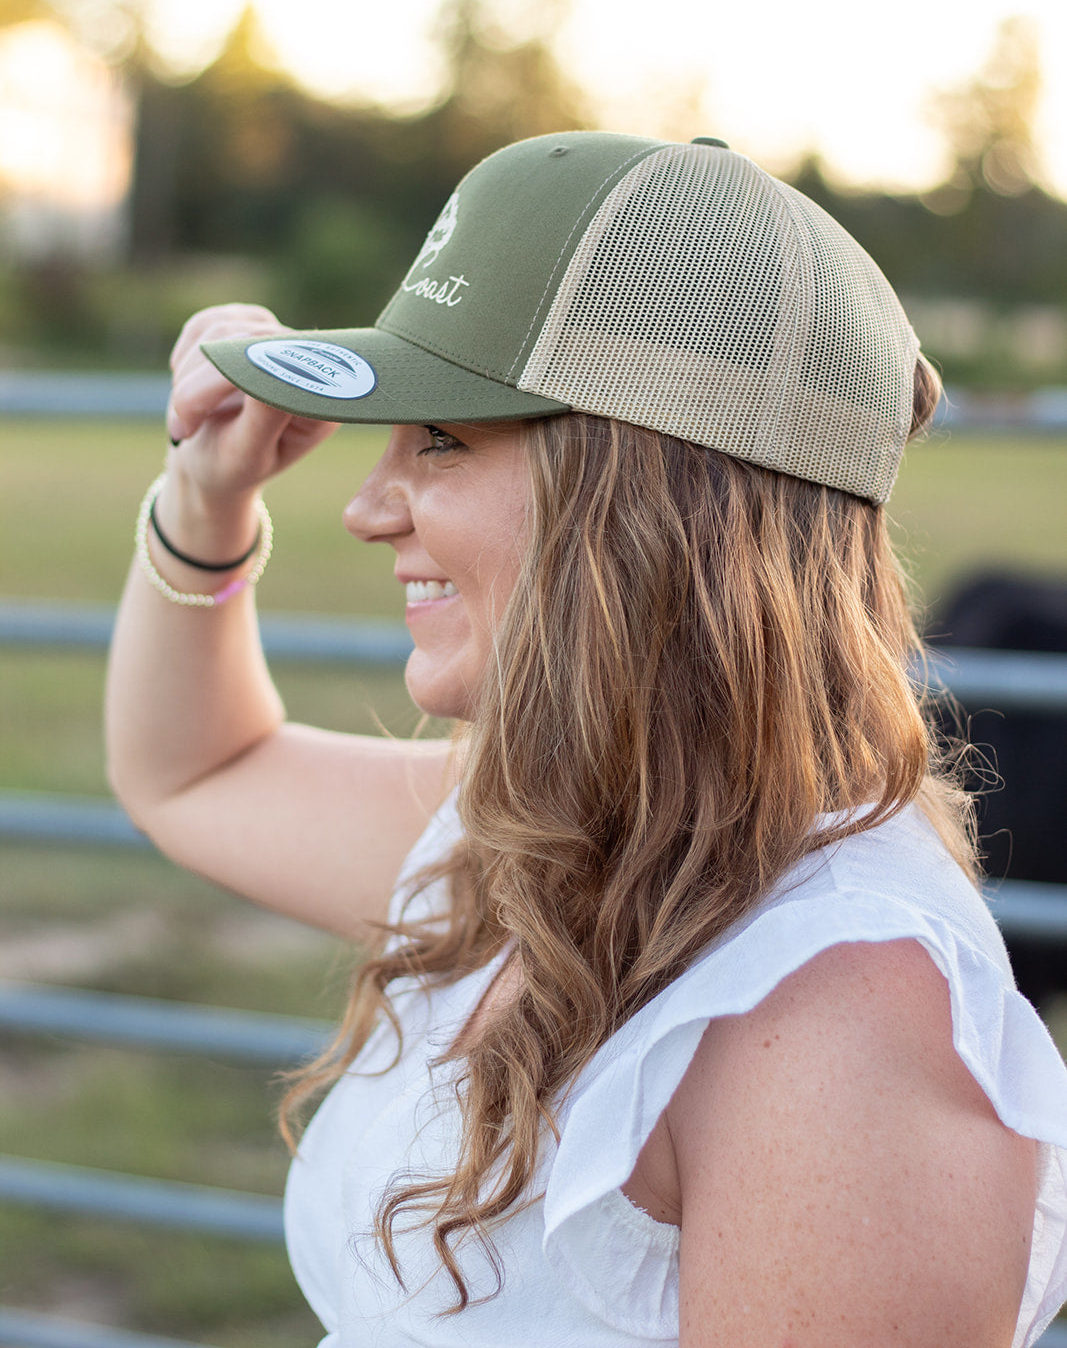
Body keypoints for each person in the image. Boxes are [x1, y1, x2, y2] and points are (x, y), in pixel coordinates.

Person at [105, 133, 1067, 1347]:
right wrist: (205, 497)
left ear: (635, 498)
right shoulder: (553, 832)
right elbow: (196, 771)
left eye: (439, 438)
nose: (363, 505)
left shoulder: (838, 1013)